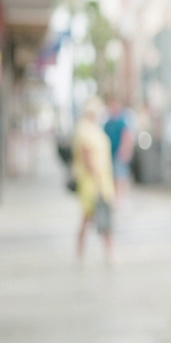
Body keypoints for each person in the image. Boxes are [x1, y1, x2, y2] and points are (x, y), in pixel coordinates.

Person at [71, 97, 116, 262]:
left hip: (101, 180)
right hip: (93, 182)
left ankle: (103, 252)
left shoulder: (94, 129)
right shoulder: (85, 130)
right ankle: (90, 253)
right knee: (92, 217)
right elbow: (88, 157)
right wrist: (98, 181)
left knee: (96, 218)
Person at [102, 97, 134, 199]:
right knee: (114, 175)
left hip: (118, 153)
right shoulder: (108, 123)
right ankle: (116, 195)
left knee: (120, 174)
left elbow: (127, 137)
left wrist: (125, 151)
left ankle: (120, 196)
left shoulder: (121, 122)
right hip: (110, 153)